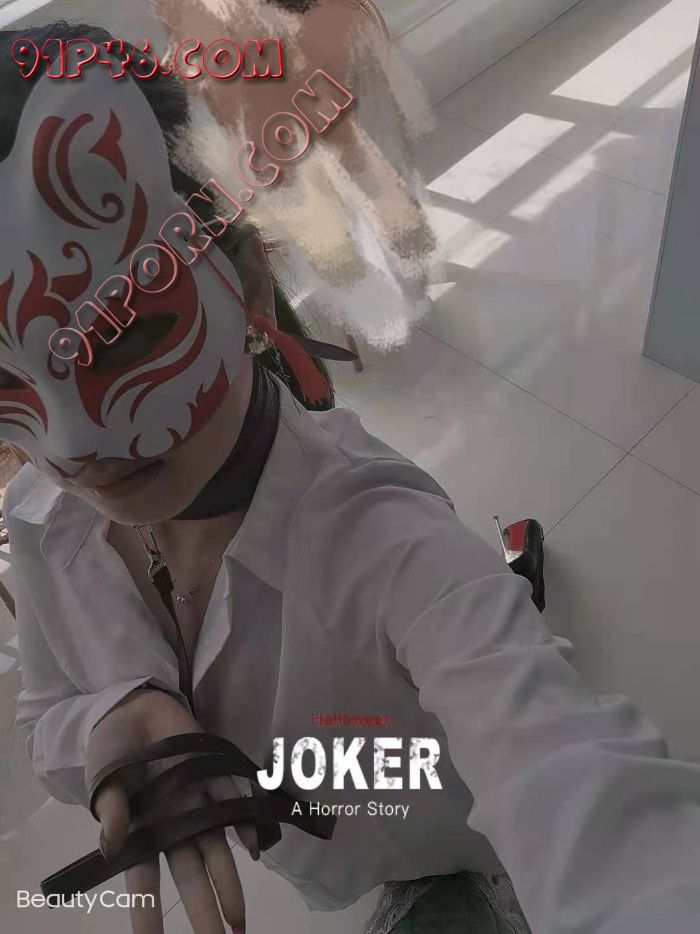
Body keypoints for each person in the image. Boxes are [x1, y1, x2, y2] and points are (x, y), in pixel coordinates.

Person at [4, 22, 700, 934]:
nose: (74, 443)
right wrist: (109, 716)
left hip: (442, 837)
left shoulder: (389, 542)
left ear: (248, 282)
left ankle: (510, 582)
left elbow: (585, 799)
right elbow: (47, 710)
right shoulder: (38, 520)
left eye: (126, 331)